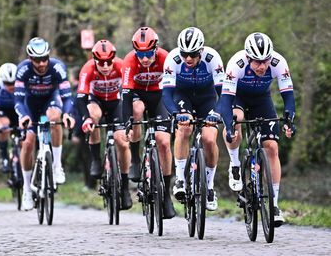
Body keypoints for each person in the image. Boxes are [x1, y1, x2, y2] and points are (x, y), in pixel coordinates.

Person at [211, 32, 295, 226]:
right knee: (237, 119)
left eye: (265, 61)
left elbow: (288, 96)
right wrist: (230, 126)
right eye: (257, 62)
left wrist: (290, 119)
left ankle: (273, 205)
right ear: (248, 57)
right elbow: (225, 100)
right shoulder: (236, 64)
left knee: (272, 147)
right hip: (237, 97)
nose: (262, 66)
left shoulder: (278, 62)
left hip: (262, 100)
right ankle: (234, 165)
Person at [161, 27, 224, 211]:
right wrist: (175, 114)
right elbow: (166, 94)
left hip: (207, 97)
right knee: (184, 127)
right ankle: (180, 179)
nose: (188, 58)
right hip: (183, 96)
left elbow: (224, 94)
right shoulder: (173, 59)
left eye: (193, 54)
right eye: (185, 54)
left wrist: (217, 114)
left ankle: (210, 186)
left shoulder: (213, 59)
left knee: (209, 138)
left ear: (201, 51)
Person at [15, 37, 76, 211]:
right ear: (30, 58)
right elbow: (18, 100)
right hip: (30, 105)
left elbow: (67, 97)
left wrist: (67, 115)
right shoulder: (22, 70)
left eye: (44, 59)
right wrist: (23, 116)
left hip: (50, 101)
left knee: (54, 118)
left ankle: (57, 166)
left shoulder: (57, 67)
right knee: (27, 142)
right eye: (37, 60)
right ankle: (27, 189)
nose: (41, 63)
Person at [121, 26, 176, 219]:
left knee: (163, 141)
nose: (144, 59)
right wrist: (127, 121)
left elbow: (173, 89)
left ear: (156, 49)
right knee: (136, 111)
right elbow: (126, 93)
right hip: (138, 94)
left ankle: (166, 194)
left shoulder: (165, 58)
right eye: (140, 54)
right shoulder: (129, 61)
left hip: (160, 95)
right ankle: (136, 159)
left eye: (148, 53)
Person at [76, 39, 132, 210]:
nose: (106, 65)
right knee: (94, 115)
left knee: (122, 141)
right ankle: (95, 159)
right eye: (101, 62)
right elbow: (80, 99)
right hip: (96, 102)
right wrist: (86, 119)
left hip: (116, 103)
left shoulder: (121, 66)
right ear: (95, 60)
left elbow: (131, 91)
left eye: (109, 61)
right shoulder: (88, 69)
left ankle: (124, 187)